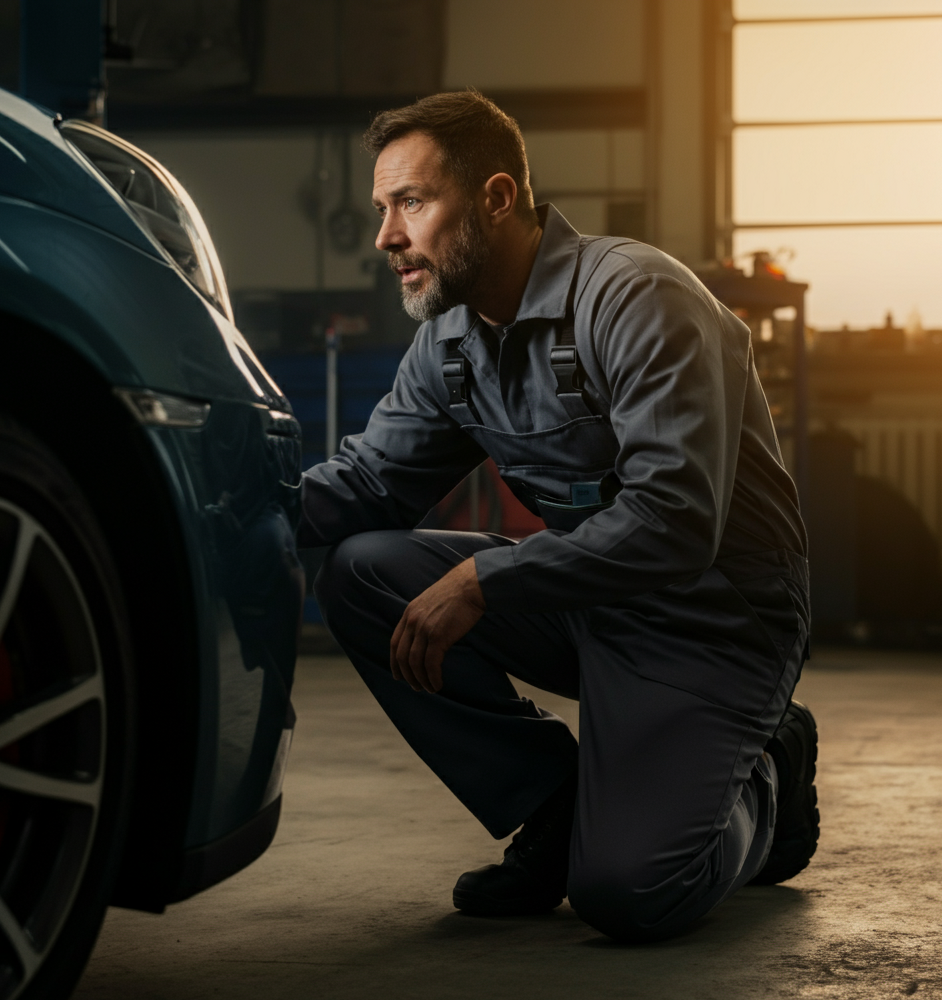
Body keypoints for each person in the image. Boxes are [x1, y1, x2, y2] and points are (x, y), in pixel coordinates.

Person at [299, 90, 818, 943]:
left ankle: (766, 773)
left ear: (497, 198)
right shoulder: (452, 339)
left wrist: (483, 578)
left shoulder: (638, 299)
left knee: (631, 892)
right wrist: (213, 505)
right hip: (589, 600)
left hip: (715, 617)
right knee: (362, 570)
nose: (388, 235)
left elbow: (676, 519)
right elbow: (366, 483)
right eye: (384, 208)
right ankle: (553, 805)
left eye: (414, 203)